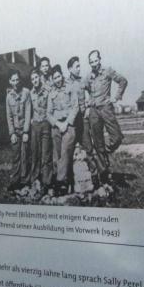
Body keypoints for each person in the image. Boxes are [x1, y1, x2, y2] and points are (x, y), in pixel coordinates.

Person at [83, 49, 128, 182]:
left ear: (100, 60)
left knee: (117, 136)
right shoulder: (88, 76)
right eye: (91, 62)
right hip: (94, 111)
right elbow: (83, 88)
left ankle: (106, 152)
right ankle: (104, 173)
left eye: (95, 61)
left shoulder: (107, 70)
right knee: (97, 142)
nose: (94, 64)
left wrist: (116, 97)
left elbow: (123, 81)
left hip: (106, 108)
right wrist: (87, 101)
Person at [47, 64, 82, 195]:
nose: (57, 79)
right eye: (54, 78)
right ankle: (67, 182)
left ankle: (60, 182)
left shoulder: (70, 88)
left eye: (58, 76)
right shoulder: (51, 93)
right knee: (57, 155)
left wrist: (66, 123)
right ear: (52, 79)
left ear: (62, 75)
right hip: (56, 127)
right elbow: (48, 113)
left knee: (65, 151)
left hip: (69, 126)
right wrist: (57, 123)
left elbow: (75, 107)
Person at [5, 70, 32, 192]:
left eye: (17, 79)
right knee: (16, 156)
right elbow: (9, 117)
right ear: (10, 81)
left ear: (20, 80)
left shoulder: (26, 93)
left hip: (24, 130)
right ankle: (14, 181)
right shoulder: (8, 96)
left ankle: (25, 181)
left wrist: (26, 131)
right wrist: (12, 133)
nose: (16, 82)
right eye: (13, 80)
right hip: (15, 131)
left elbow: (28, 113)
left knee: (25, 155)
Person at [28, 69, 54, 190]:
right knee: (35, 153)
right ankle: (35, 180)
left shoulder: (47, 90)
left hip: (45, 124)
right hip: (35, 126)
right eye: (32, 79)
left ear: (39, 77)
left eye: (36, 78)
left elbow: (50, 108)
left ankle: (47, 182)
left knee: (46, 154)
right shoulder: (30, 93)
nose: (34, 81)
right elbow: (29, 109)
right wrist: (30, 120)